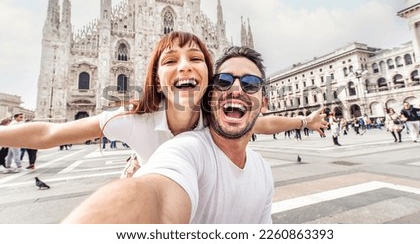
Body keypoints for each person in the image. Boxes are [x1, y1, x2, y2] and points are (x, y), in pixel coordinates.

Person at [0, 32, 326, 178]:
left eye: (196, 58)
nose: (184, 66)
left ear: (210, 77)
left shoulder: (213, 117)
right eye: (170, 60)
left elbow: (263, 123)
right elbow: (49, 132)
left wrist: (304, 122)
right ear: (156, 79)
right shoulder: (134, 120)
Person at [63, 46, 329, 224]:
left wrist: (305, 120)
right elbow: (154, 194)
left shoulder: (261, 171)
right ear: (210, 95)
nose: (236, 89)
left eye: (250, 84)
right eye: (224, 80)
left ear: (265, 102)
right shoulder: (186, 150)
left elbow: (264, 124)